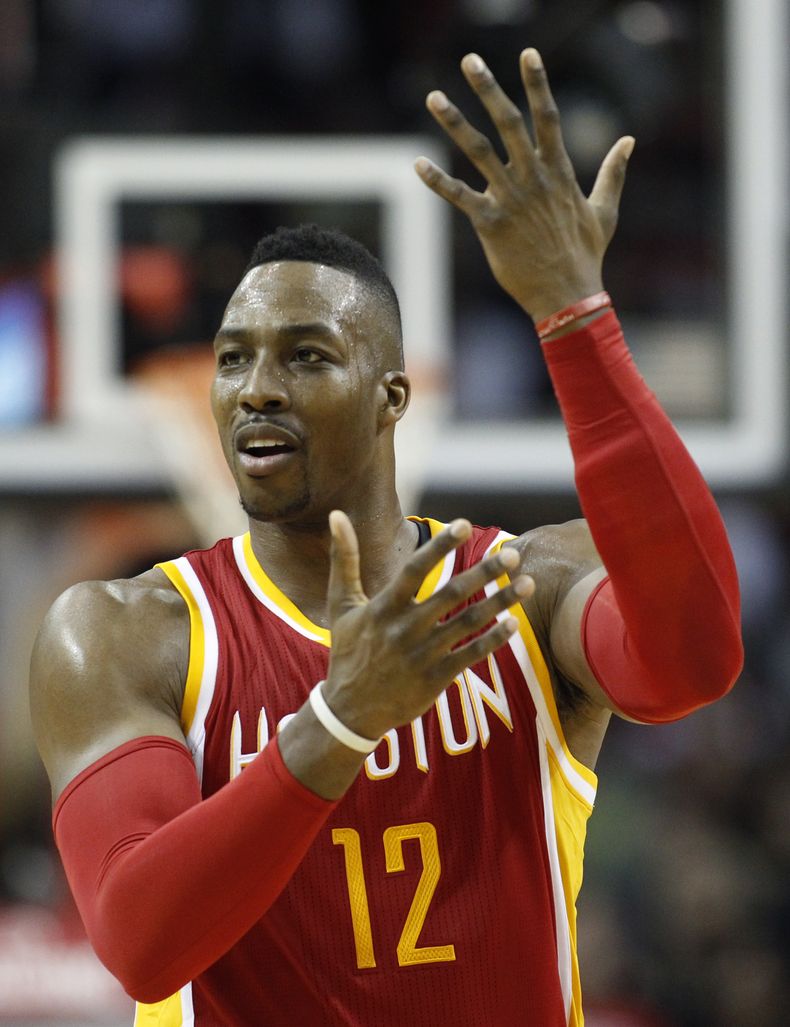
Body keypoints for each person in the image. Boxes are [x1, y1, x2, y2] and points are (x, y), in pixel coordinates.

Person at [30, 48, 742, 1027]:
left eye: (306, 354)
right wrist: (339, 724)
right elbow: (141, 943)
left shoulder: (520, 588)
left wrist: (573, 316)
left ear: (393, 398)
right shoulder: (126, 633)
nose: (255, 388)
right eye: (234, 358)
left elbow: (694, 660)